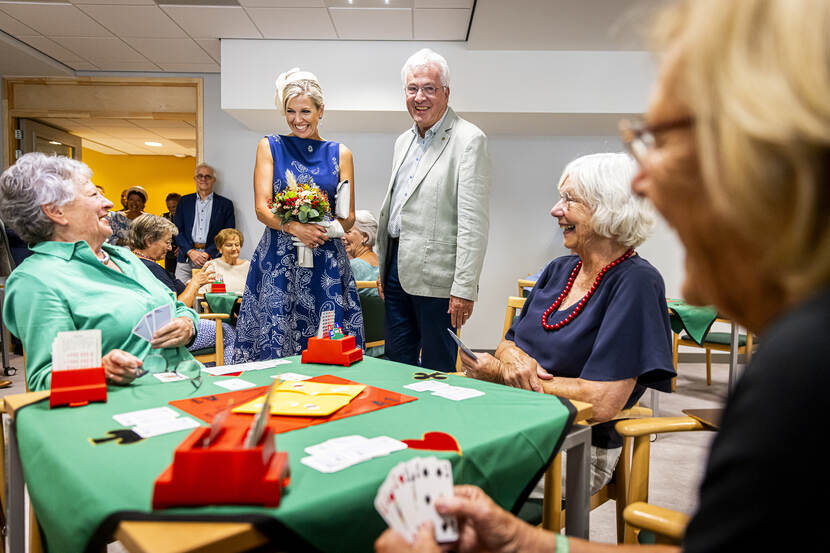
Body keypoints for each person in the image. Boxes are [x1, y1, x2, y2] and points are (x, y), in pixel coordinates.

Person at [375, 1, 830, 552]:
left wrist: (515, 371)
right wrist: (523, 544)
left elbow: (601, 399)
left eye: (660, 139)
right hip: (521, 422)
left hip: (570, 442)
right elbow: (504, 350)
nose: (646, 182)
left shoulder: (800, 369)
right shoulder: (791, 356)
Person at [463, 152, 674, 509]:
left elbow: (602, 401)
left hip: (573, 446)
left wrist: (502, 374)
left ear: (609, 208)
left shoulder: (636, 282)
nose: (555, 210)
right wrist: (510, 358)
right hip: (510, 425)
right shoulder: (558, 270)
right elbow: (508, 343)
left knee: (442, 483)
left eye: (568, 200)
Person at [0, 153, 198, 392]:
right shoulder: (36, 280)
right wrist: (99, 371)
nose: (109, 203)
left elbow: (175, 307)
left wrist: (188, 324)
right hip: (132, 408)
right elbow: (45, 380)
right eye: (94, 195)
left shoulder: (123, 257)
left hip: (188, 385)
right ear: (56, 212)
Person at [233, 68, 364, 362]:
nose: (297, 119)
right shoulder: (269, 146)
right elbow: (261, 208)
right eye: (290, 111)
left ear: (321, 111)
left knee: (328, 338)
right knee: (276, 335)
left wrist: (320, 230)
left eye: (305, 110)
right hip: (279, 258)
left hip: (326, 260)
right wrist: (294, 228)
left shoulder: (340, 153)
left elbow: (349, 217)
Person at [376, 48, 492, 372]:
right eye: (412, 89)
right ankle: (399, 423)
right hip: (396, 269)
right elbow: (396, 209)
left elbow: (474, 223)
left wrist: (464, 288)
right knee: (395, 365)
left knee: (438, 369)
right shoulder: (403, 141)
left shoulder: (469, 140)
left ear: (446, 93)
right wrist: (384, 267)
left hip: (440, 280)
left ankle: (438, 425)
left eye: (429, 88)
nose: (420, 97)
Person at [129, 214, 236, 365]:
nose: (170, 247)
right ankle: (227, 378)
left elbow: (179, 291)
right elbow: (174, 308)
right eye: (166, 242)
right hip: (167, 332)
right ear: (148, 241)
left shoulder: (135, 262)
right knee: (230, 332)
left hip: (149, 333)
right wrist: (195, 283)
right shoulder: (151, 268)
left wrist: (194, 283)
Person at [172, 163, 236, 283]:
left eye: (208, 176)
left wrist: (208, 253)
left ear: (213, 180)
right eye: (200, 176)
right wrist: (190, 251)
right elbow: (176, 230)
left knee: (209, 296)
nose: (203, 179)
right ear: (195, 179)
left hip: (213, 259)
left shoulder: (225, 204)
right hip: (185, 259)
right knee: (181, 294)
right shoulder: (184, 202)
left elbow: (228, 233)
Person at [199, 228, 250, 295]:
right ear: (220, 248)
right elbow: (202, 292)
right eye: (229, 245)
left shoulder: (248, 266)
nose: (234, 248)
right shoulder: (212, 265)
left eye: (237, 245)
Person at [343, 210, 380, 296]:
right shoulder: (385, 265)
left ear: (365, 236)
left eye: (348, 232)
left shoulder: (349, 267)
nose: (342, 237)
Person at [162, 192, 181, 275]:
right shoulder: (164, 217)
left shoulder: (188, 217)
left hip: (184, 253)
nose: (171, 209)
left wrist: (182, 247)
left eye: (174, 206)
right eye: (169, 207)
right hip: (169, 253)